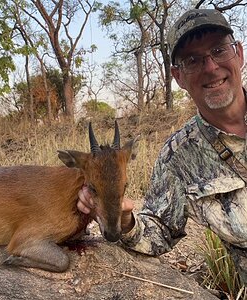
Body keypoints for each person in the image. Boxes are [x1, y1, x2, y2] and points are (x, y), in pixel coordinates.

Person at [77, 8, 247, 284]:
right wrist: (123, 217)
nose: (211, 67)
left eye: (219, 50)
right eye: (193, 60)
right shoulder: (177, 157)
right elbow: (158, 233)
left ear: (238, 54)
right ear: (178, 76)